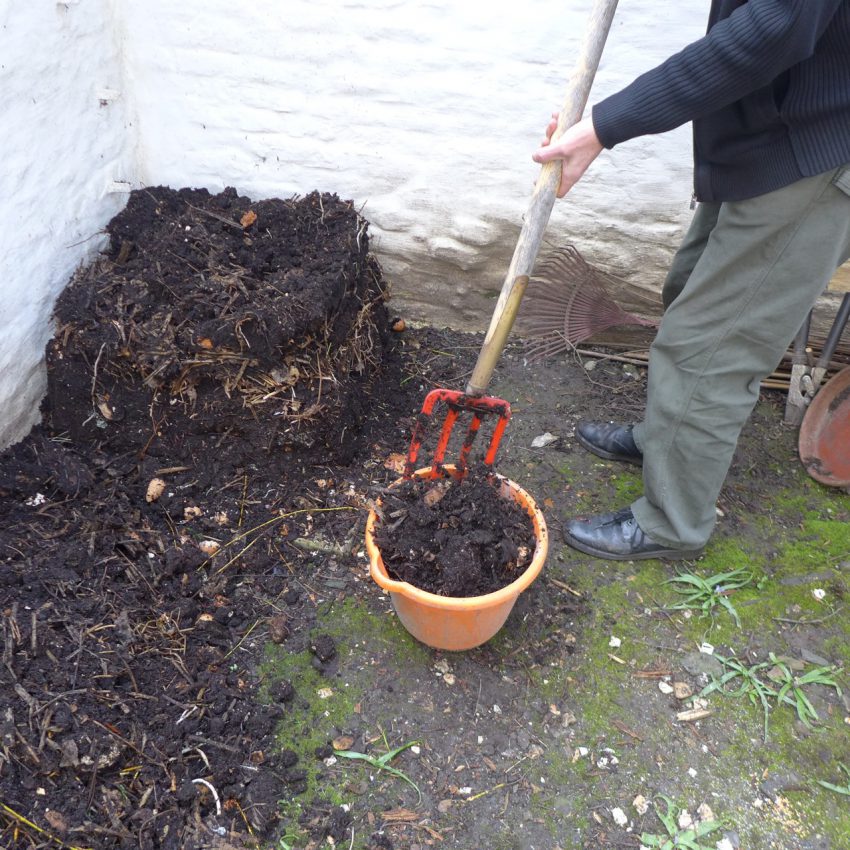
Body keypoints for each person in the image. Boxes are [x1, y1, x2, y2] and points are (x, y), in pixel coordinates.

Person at [531, 0, 850, 561]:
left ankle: (673, 524)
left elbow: (774, 27)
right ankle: (664, 441)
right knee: (686, 291)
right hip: (770, 134)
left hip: (817, 148)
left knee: (710, 347)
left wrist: (605, 125)